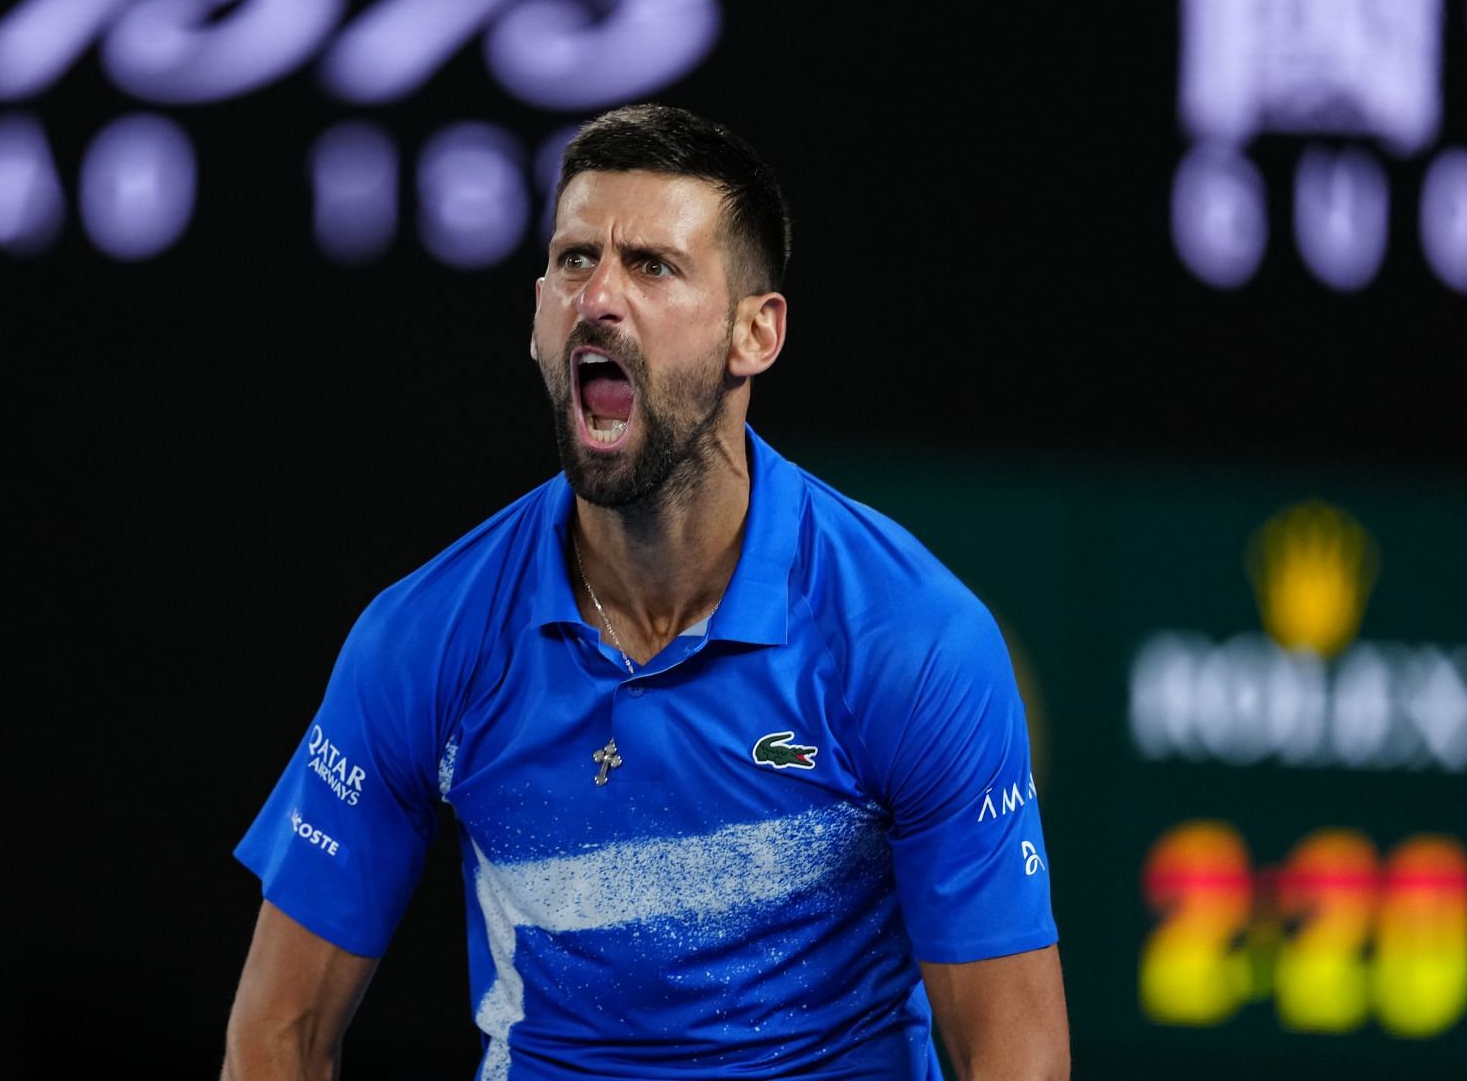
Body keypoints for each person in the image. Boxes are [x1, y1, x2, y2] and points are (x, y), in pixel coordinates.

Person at [220, 104, 1069, 1080]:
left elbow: (1014, 1054)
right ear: (538, 314)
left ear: (756, 333)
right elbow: (275, 1036)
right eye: (575, 260)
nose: (598, 297)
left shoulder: (912, 641)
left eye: (653, 266)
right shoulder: (422, 640)